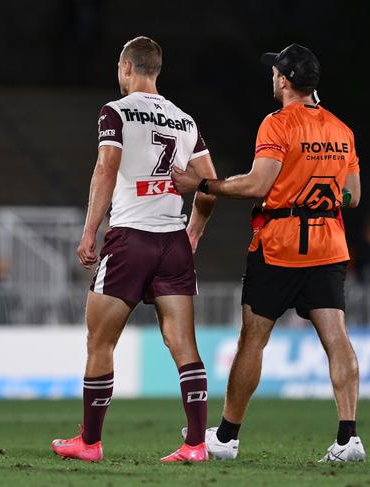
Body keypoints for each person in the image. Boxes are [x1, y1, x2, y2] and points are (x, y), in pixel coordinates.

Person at [172, 43, 364, 462]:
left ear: (285, 79)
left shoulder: (276, 124)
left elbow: (258, 185)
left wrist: (203, 186)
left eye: (276, 71)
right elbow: (352, 196)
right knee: (337, 339)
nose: (272, 76)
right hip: (328, 244)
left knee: (252, 340)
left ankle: (225, 437)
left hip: (279, 247)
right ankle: (349, 436)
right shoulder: (341, 129)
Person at [51, 36, 217, 463]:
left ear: (126, 68)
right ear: (156, 70)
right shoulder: (185, 119)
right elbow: (210, 186)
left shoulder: (116, 111)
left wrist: (89, 231)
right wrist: (193, 232)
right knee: (184, 345)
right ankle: (196, 444)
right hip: (173, 239)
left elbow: (106, 167)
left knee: (100, 342)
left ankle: (89, 442)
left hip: (131, 239)